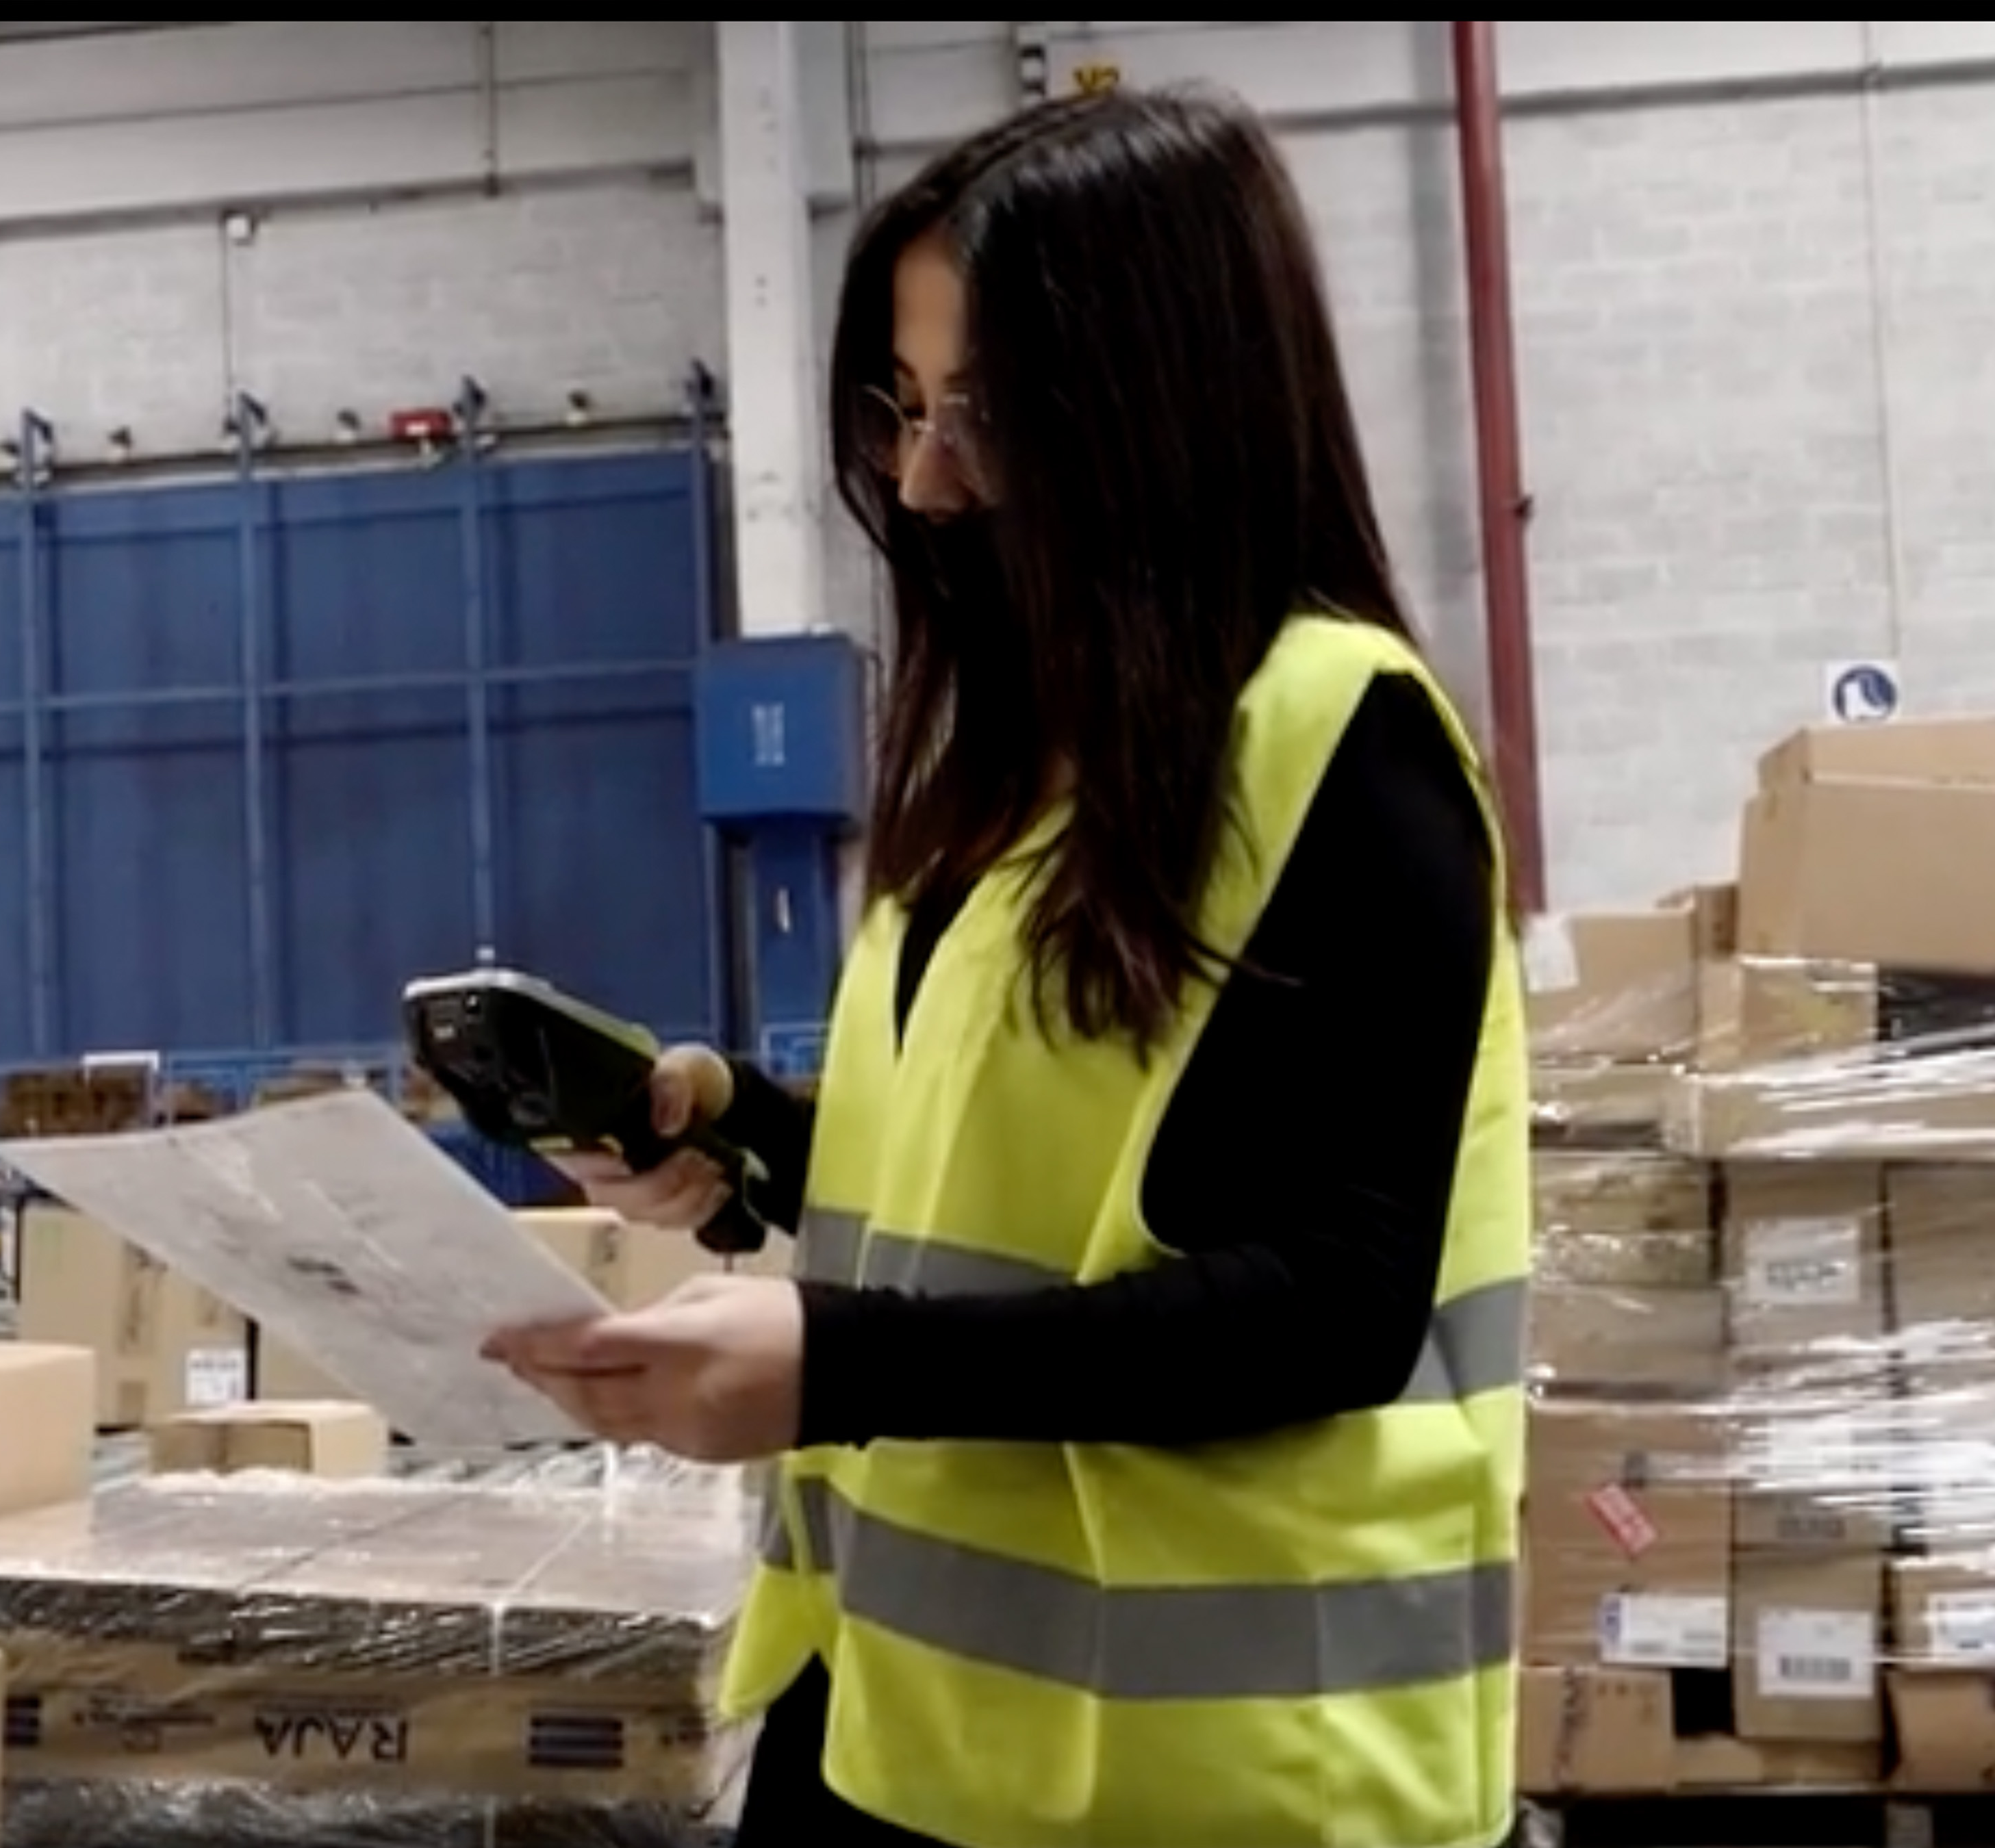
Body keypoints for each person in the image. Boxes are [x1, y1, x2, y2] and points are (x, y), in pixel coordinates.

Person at [483, 83, 1528, 1848]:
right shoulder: (1015, 769)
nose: (923, 481)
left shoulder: (1341, 743)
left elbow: (1336, 1295)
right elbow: (993, 1193)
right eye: (901, 408)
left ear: (1162, 412)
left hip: (1231, 1785)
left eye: (984, 413)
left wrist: (844, 1366)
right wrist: (742, 1145)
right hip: (915, 1722)